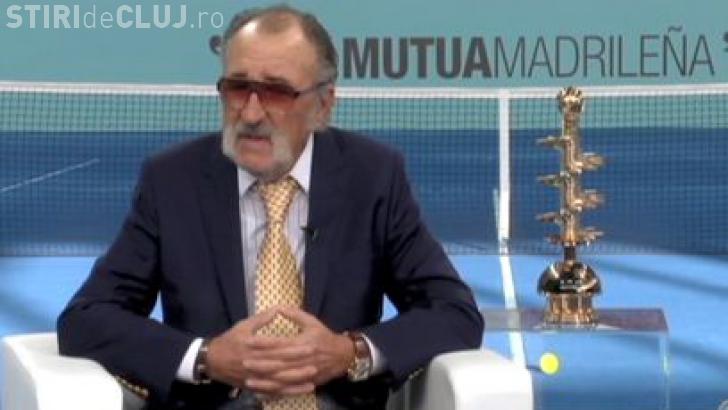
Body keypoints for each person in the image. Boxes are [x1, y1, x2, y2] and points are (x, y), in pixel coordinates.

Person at [57, 5, 483, 410]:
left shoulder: (373, 177)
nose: (251, 112)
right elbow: (86, 319)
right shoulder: (172, 181)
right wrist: (206, 357)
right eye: (238, 87)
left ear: (323, 104)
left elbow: (454, 312)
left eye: (276, 92)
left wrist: (348, 352)